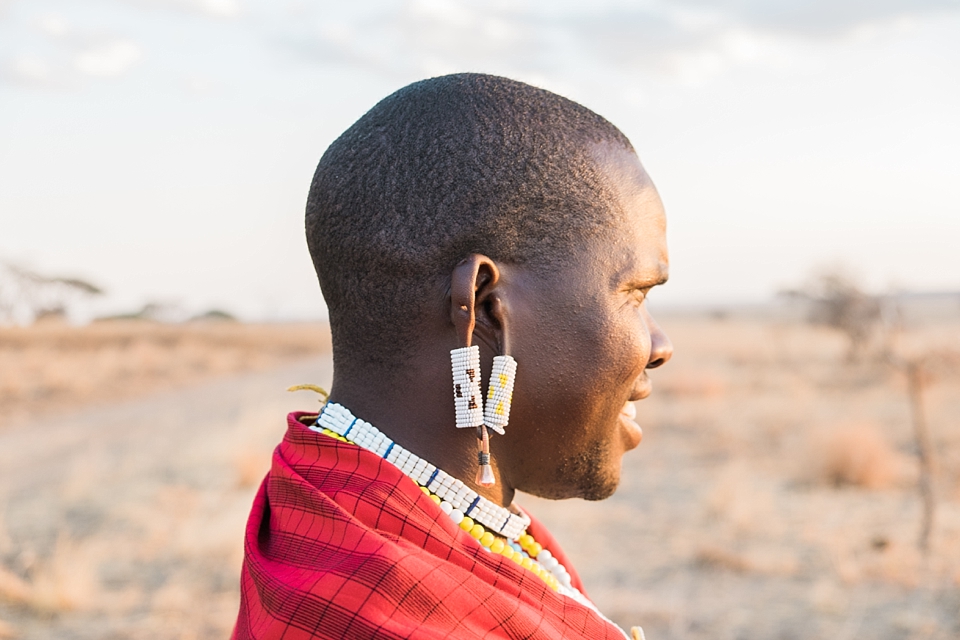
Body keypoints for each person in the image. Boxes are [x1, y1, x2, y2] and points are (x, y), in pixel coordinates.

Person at [233, 73, 672, 640]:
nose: (660, 346)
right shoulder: (386, 612)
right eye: (634, 293)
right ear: (486, 308)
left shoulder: (333, 507)